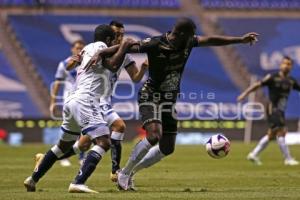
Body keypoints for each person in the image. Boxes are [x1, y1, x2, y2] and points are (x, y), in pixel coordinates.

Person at [111, 17, 259, 190]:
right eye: (191, 35)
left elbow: (211, 40)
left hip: (169, 100)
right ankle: (125, 172)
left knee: (167, 148)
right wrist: (100, 53)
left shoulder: (188, 42)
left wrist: (240, 40)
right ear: (181, 34)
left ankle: (130, 173)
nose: (194, 38)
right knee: (153, 136)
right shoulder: (154, 43)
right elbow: (127, 47)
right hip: (150, 95)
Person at [24, 24, 135, 193]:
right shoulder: (101, 47)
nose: (115, 41)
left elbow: (74, 65)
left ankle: (32, 179)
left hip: (72, 100)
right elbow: (112, 66)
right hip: (86, 99)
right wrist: (125, 45)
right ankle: (78, 182)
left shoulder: (86, 49)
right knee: (104, 142)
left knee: (63, 146)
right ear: (108, 39)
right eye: (113, 39)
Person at [51, 20, 148, 182]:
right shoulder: (97, 49)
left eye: (122, 35)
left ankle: (47, 158)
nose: (119, 37)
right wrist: (75, 60)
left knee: (82, 145)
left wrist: (144, 68)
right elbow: (68, 67)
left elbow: (136, 78)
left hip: (104, 100)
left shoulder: (125, 55)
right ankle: (115, 171)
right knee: (119, 126)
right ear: (109, 35)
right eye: (117, 34)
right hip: (93, 100)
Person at [238, 56, 300, 166]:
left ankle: (254, 154)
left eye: (289, 64)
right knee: (282, 131)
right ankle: (288, 159)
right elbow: (257, 84)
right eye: (285, 63)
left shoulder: (291, 81)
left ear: (291, 67)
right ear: (281, 65)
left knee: (271, 135)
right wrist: (244, 94)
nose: (286, 66)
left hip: (281, 110)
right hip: (273, 108)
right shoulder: (273, 77)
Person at [49, 39, 85, 167]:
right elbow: (57, 84)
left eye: (81, 48)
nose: (79, 50)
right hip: (69, 100)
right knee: (67, 129)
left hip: (83, 99)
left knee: (84, 128)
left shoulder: (87, 62)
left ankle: (81, 157)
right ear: (72, 49)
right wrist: (53, 102)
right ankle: (62, 155)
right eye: (77, 48)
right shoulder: (64, 64)